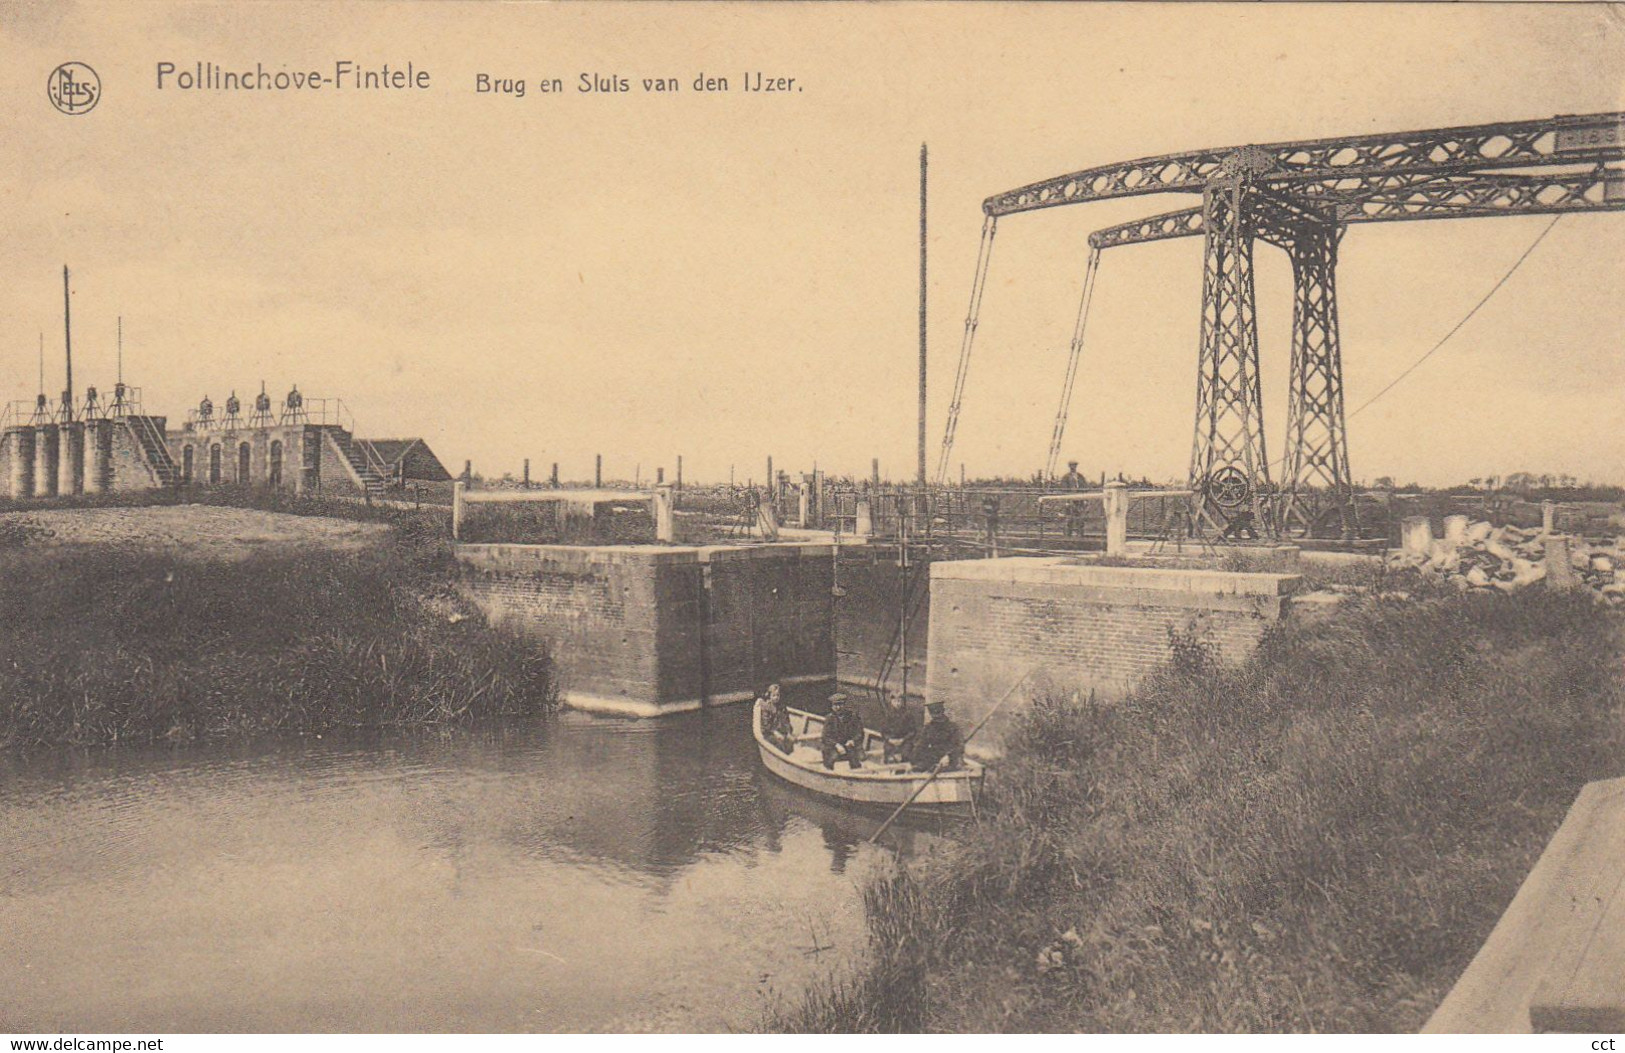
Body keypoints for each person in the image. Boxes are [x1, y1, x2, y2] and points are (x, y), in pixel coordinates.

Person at [909, 701, 965, 773]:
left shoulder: (953, 727)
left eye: (939, 716)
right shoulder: (928, 728)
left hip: (950, 758)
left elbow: (960, 746)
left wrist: (949, 756)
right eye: (934, 716)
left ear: (943, 712)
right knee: (920, 768)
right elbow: (921, 745)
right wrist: (913, 760)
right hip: (934, 757)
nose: (937, 720)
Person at [820, 693, 865, 771]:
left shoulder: (852, 716)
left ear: (844, 705)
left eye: (840, 704)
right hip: (833, 746)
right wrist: (836, 745)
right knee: (831, 757)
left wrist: (852, 740)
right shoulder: (829, 718)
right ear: (832, 706)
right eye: (835, 705)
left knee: (859, 757)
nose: (838, 707)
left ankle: (857, 771)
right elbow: (825, 737)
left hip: (848, 745)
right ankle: (828, 772)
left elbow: (859, 732)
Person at [879, 690, 921, 764]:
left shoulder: (908, 714)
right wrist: (889, 739)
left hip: (905, 741)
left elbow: (913, 731)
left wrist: (903, 739)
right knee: (889, 754)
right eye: (895, 701)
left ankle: (904, 770)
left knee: (906, 755)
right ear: (891, 701)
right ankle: (888, 768)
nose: (897, 703)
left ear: (902, 702)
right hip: (891, 740)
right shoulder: (886, 714)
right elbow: (883, 731)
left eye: (899, 701)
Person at [758, 682, 795, 755]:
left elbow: (786, 721)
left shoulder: (782, 707)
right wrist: (775, 733)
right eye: (774, 695)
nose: (776, 697)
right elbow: (766, 725)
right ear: (770, 696)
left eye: (778, 695)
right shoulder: (767, 707)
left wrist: (788, 732)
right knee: (779, 744)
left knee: (789, 744)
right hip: (769, 733)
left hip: (780, 731)